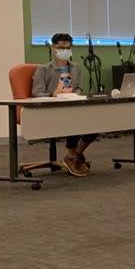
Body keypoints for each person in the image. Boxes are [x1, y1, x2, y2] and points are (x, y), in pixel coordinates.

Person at [30, 33, 96, 177]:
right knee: (74, 118)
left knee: (95, 119)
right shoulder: (43, 69)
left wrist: (75, 94)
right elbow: (36, 93)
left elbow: (79, 88)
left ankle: (76, 153)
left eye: (68, 47)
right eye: (61, 47)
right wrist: (53, 94)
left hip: (71, 103)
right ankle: (71, 156)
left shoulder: (76, 67)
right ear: (53, 48)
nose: (64, 50)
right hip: (51, 108)